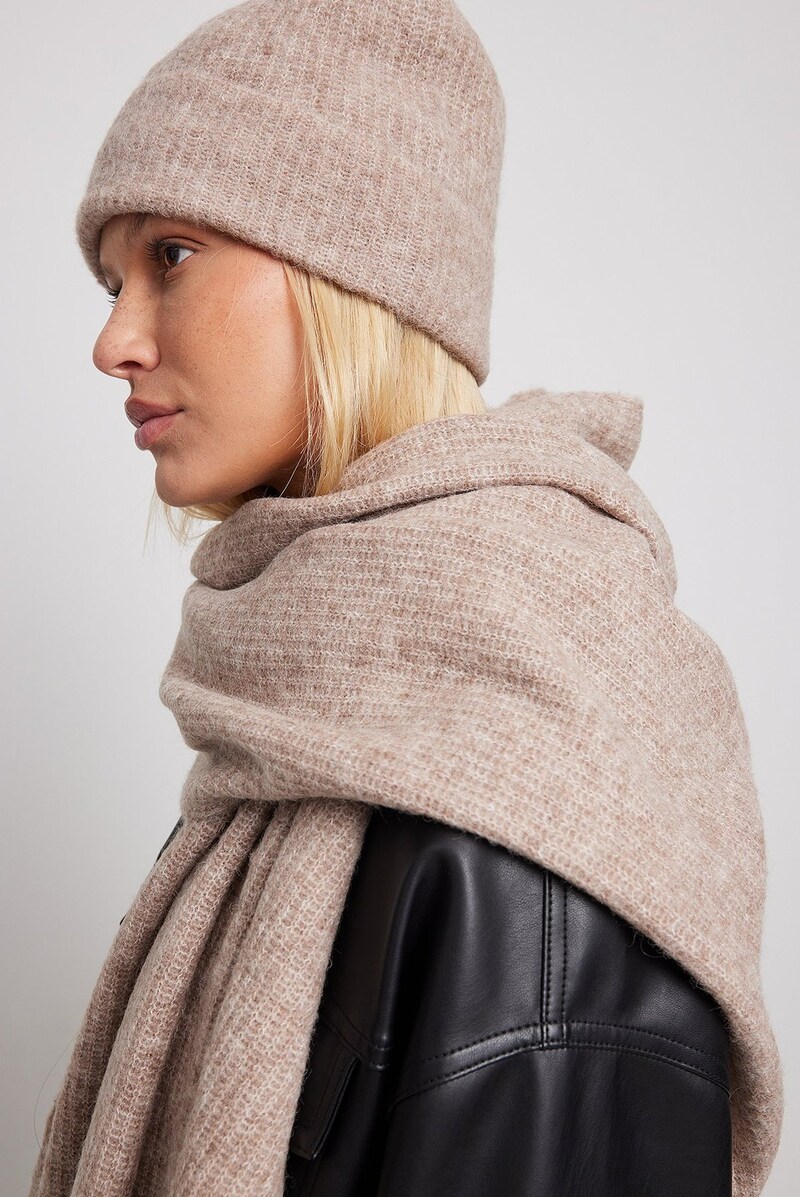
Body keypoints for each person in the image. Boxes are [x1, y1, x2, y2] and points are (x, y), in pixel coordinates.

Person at [29, 2, 782, 1196]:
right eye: (113, 279)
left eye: (169, 256)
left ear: (350, 274)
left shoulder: (544, 772)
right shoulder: (293, 730)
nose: (113, 340)